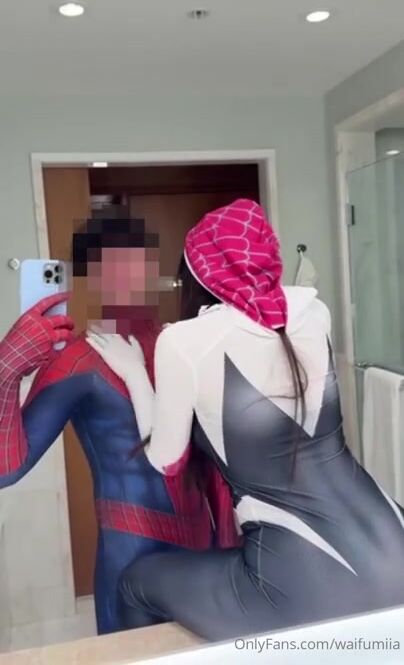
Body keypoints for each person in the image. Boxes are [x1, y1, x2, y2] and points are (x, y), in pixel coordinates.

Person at [88, 199, 404, 642]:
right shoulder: (314, 312)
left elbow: (165, 461)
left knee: (135, 583)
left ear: (197, 276)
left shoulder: (184, 341)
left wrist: (136, 374)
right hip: (394, 543)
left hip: (311, 583)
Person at [0, 218, 238, 635]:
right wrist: (7, 367)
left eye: (136, 260)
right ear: (91, 278)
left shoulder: (182, 342)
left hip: (203, 546)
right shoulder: (77, 359)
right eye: (110, 265)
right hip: (131, 549)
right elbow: (7, 470)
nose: (127, 275)